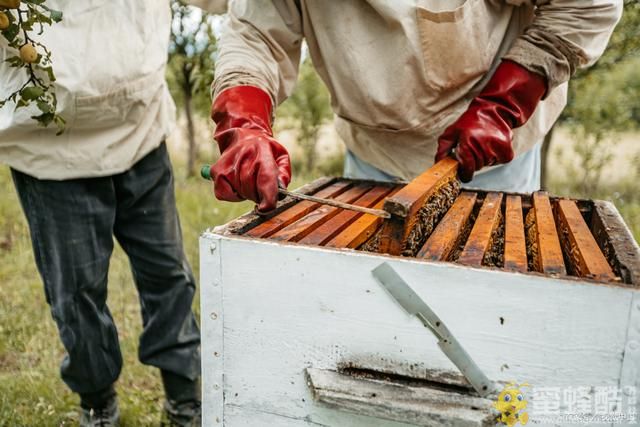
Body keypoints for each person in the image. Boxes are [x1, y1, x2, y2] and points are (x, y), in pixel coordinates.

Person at [0, 0, 224, 425]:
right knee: (77, 293)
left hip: (139, 126)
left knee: (168, 275)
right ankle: (97, 401)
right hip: (49, 150)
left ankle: (184, 399)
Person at [207, 0, 622, 213]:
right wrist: (244, 128)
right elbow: (255, 36)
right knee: (381, 303)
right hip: (375, 149)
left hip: (493, 150)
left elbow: (586, 5)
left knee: (488, 307)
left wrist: (500, 106)